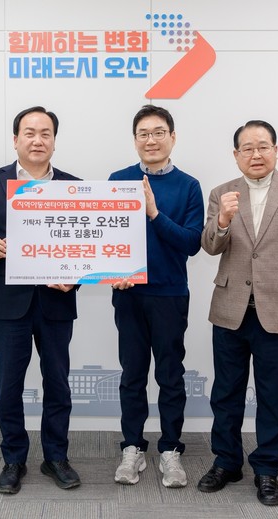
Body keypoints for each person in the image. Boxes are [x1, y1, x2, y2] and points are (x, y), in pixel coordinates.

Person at [198, 120, 278, 506]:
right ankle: (226, 461)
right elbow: (209, 247)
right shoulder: (222, 193)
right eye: (248, 148)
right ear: (236, 155)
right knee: (226, 393)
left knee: (273, 396)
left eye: (263, 146)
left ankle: (267, 468)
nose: (256, 154)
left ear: (275, 150)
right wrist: (222, 221)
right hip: (231, 309)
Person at [0, 106, 81, 494]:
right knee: (8, 387)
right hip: (8, 301)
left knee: (58, 384)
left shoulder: (74, 187)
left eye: (45, 133)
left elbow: (86, 246)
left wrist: (75, 279)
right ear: (16, 140)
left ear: (54, 141)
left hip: (56, 302)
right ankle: (14, 459)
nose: (37, 140)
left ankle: (56, 457)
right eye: (29, 133)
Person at [108, 105, 204, 488]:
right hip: (128, 295)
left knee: (170, 374)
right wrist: (111, 272)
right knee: (132, 374)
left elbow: (191, 243)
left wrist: (154, 213)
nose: (151, 140)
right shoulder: (118, 181)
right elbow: (106, 238)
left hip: (169, 294)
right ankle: (132, 447)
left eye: (159, 132)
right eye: (144, 134)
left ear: (172, 137)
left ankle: (170, 450)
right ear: (135, 140)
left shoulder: (189, 186)